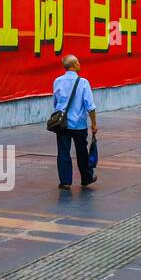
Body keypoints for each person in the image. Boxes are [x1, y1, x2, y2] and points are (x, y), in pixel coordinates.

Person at [53, 55, 97, 190]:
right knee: (81, 151)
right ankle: (86, 178)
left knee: (63, 152)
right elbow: (90, 106)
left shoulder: (57, 81)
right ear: (73, 65)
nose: (79, 63)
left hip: (62, 124)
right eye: (78, 61)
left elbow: (55, 103)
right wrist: (94, 123)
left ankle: (65, 181)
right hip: (79, 124)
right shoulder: (83, 82)